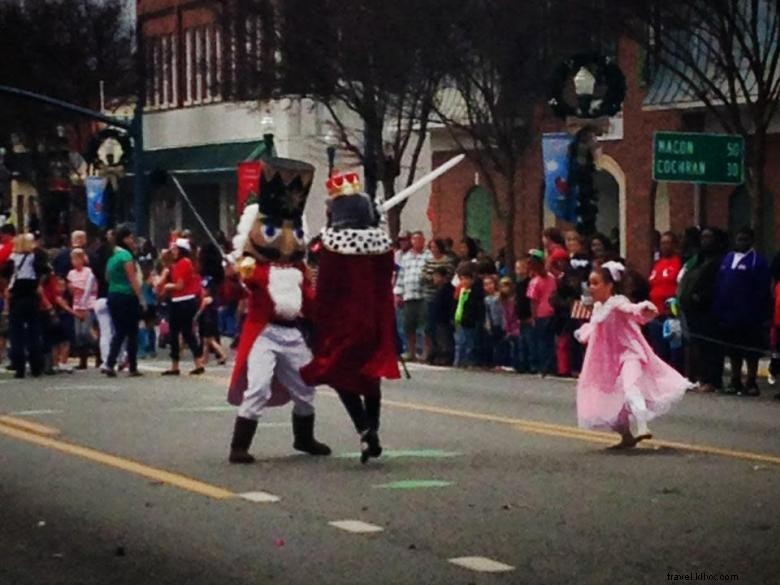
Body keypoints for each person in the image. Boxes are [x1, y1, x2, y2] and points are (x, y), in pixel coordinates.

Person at [227, 157, 331, 464]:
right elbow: (233, 291)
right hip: (263, 333)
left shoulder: (300, 270)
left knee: (305, 387)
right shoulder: (253, 270)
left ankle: (304, 437)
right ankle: (239, 446)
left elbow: (310, 304)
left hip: (292, 333)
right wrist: (238, 275)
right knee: (257, 388)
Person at [301, 170, 400, 463]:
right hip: (375, 319)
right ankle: (373, 428)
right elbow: (384, 284)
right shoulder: (383, 245)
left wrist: (314, 316)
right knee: (371, 376)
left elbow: (326, 290)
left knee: (338, 373)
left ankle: (363, 427)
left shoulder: (331, 245)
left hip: (343, 322)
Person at [575, 262, 690, 449]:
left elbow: (632, 310)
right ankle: (626, 435)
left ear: (609, 286)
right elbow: (596, 330)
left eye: (595, 283)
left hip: (629, 353)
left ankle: (643, 426)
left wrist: (643, 308)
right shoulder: (597, 308)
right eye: (590, 283)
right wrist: (583, 332)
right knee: (610, 396)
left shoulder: (617, 302)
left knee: (630, 387)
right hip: (608, 360)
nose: (591, 288)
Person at [713, 227, 771, 396]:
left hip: (749, 315)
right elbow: (719, 283)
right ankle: (735, 380)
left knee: (750, 350)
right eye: (739, 239)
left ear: (751, 241)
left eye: (745, 239)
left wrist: (760, 313)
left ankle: (751, 382)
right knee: (732, 350)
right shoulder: (728, 259)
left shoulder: (757, 261)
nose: (741, 243)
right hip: (727, 314)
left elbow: (762, 290)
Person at [678, 227, 727, 393]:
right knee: (698, 346)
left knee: (711, 347)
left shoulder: (720, 261)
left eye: (709, 237)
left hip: (709, 310)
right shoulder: (699, 259)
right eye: (703, 237)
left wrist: (702, 296)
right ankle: (702, 377)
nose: (705, 241)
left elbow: (718, 285)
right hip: (693, 311)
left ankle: (713, 380)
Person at [103, 226, 146, 378]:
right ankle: (133, 366)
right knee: (132, 332)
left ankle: (109, 363)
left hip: (113, 294)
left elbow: (107, 277)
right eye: (129, 238)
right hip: (127, 296)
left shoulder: (112, 256)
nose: (132, 240)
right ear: (124, 239)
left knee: (119, 331)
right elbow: (132, 278)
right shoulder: (126, 256)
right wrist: (141, 298)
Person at [3, 234, 49, 378]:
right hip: (31, 296)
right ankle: (36, 365)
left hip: (16, 296)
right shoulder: (35, 258)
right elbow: (46, 270)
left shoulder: (12, 259)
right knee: (34, 331)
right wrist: (38, 284)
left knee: (16, 333)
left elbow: (4, 273)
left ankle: (19, 366)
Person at [162, 239, 206, 376]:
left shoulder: (182, 264)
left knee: (175, 333)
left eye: (175, 249)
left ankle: (175, 365)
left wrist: (169, 286)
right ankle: (198, 363)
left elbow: (179, 285)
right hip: (186, 301)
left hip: (180, 301)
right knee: (188, 332)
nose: (173, 252)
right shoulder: (185, 263)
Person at [647, 231, 683, 371]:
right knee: (659, 347)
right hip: (655, 312)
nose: (665, 246)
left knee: (674, 348)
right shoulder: (657, 264)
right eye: (663, 243)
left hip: (671, 313)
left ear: (674, 245)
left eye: (668, 243)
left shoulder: (678, 262)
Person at [393, 231, 430, 361]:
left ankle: (426, 352)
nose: (416, 242)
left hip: (424, 295)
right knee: (409, 325)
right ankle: (411, 352)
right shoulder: (406, 257)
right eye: (414, 240)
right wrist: (398, 294)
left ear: (424, 241)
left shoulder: (428, 256)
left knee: (425, 325)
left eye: (419, 240)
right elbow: (401, 275)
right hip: (409, 295)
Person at [421, 239, 455, 362]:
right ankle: (432, 351)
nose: (433, 249)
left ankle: (444, 354)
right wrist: (432, 279)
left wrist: (439, 280)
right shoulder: (429, 261)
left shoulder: (447, 261)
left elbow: (449, 275)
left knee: (442, 329)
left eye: (435, 247)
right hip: (430, 295)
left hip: (442, 298)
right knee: (430, 327)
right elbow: (423, 274)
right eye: (431, 247)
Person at [527, 249, 558, 376]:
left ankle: (543, 366)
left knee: (541, 341)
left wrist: (533, 317)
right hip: (551, 312)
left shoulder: (534, 282)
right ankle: (550, 365)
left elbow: (533, 301)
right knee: (550, 341)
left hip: (541, 314)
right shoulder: (551, 278)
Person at [67, 248, 98, 370]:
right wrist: (72, 289)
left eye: (77, 258)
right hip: (76, 304)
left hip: (88, 304)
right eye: (73, 259)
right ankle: (82, 361)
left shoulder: (88, 272)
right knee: (78, 334)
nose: (74, 261)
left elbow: (91, 288)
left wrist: (81, 291)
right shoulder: (71, 274)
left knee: (86, 332)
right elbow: (71, 291)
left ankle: (98, 350)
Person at [197, 242, 227, 366]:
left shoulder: (206, 279)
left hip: (208, 309)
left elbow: (204, 294)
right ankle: (205, 358)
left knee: (208, 337)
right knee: (207, 337)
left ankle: (222, 353)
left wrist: (198, 312)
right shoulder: (217, 277)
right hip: (215, 306)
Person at [453, 264, 482, 367]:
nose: (464, 281)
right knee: (460, 341)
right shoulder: (461, 291)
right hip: (459, 318)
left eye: (466, 279)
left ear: (472, 280)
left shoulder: (474, 292)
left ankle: (468, 360)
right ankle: (458, 361)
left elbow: (474, 307)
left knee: (469, 342)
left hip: (469, 321)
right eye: (462, 279)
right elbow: (457, 303)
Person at [428, 266, 455, 365]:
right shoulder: (439, 290)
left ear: (443, 277)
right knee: (437, 338)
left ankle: (446, 358)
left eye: (436, 276)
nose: (434, 279)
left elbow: (448, 305)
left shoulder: (448, 290)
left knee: (444, 340)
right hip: (437, 319)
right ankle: (436, 356)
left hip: (444, 319)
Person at [514, 258, 534, 373]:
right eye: (517, 268)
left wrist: (531, 315)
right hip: (520, 317)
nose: (519, 271)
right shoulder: (519, 284)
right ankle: (523, 364)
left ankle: (532, 365)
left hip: (528, 316)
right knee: (522, 342)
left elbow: (529, 300)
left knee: (530, 341)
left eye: (521, 268)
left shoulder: (529, 283)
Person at [483, 274, 504, 368]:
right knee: (494, 343)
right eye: (486, 284)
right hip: (493, 323)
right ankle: (495, 362)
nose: (488, 286)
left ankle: (501, 362)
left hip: (502, 322)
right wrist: (487, 324)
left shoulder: (500, 296)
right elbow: (487, 313)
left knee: (501, 342)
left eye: (490, 283)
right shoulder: (486, 299)